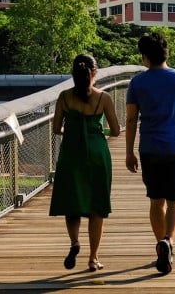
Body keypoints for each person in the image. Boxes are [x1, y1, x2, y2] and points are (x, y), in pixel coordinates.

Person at [125, 31, 175, 275]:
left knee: (156, 201)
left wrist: (129, 152)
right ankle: (169, 241)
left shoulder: (137, 83)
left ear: (145, 57)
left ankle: (160, 244)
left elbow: (131, 118)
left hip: (149, 149)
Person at [49, 54, 121, 272]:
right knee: (96, 207)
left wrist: (73, 131)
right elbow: (116, 130)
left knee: (72, 203)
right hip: (97, 154)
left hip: (71, 153)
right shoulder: (104, 98)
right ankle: (93, 258)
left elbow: (56, 129)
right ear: (94, 73)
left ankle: (74, 243)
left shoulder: (64, 97)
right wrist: (98, 131)